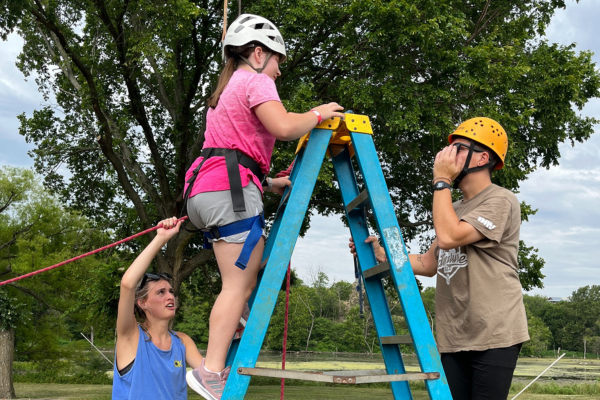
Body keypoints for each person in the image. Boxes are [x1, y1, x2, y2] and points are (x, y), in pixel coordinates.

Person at [183, 13, 345, 400]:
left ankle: (234, 325)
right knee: (237, 285)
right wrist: (321, 112)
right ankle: (210, 371)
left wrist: (269, 181)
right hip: (229, 190)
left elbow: (232, 147)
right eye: (276, 63)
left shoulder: (223, 93)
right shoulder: (254, 81)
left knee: (247, 272)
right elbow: (285, 127)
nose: (276, 73)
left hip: (207, 189)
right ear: (258, 54)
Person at [350, 117, 529, 400]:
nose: (446, 155)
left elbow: (449, 237)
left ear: (483, 157)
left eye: (457, 148)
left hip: (494, 333)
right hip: (453, 336)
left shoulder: (501, 200)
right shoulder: (454, 207)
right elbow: (428, 263)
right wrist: (384, 253)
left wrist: (442, 181)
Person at [112, 217, 203, 400]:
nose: (170, 296)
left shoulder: (182, 341)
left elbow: (208, 373)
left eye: (170, 291)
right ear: (143, 303)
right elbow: (128, 284)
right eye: (160, 292)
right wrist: (161, 238)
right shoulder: (131, 336)